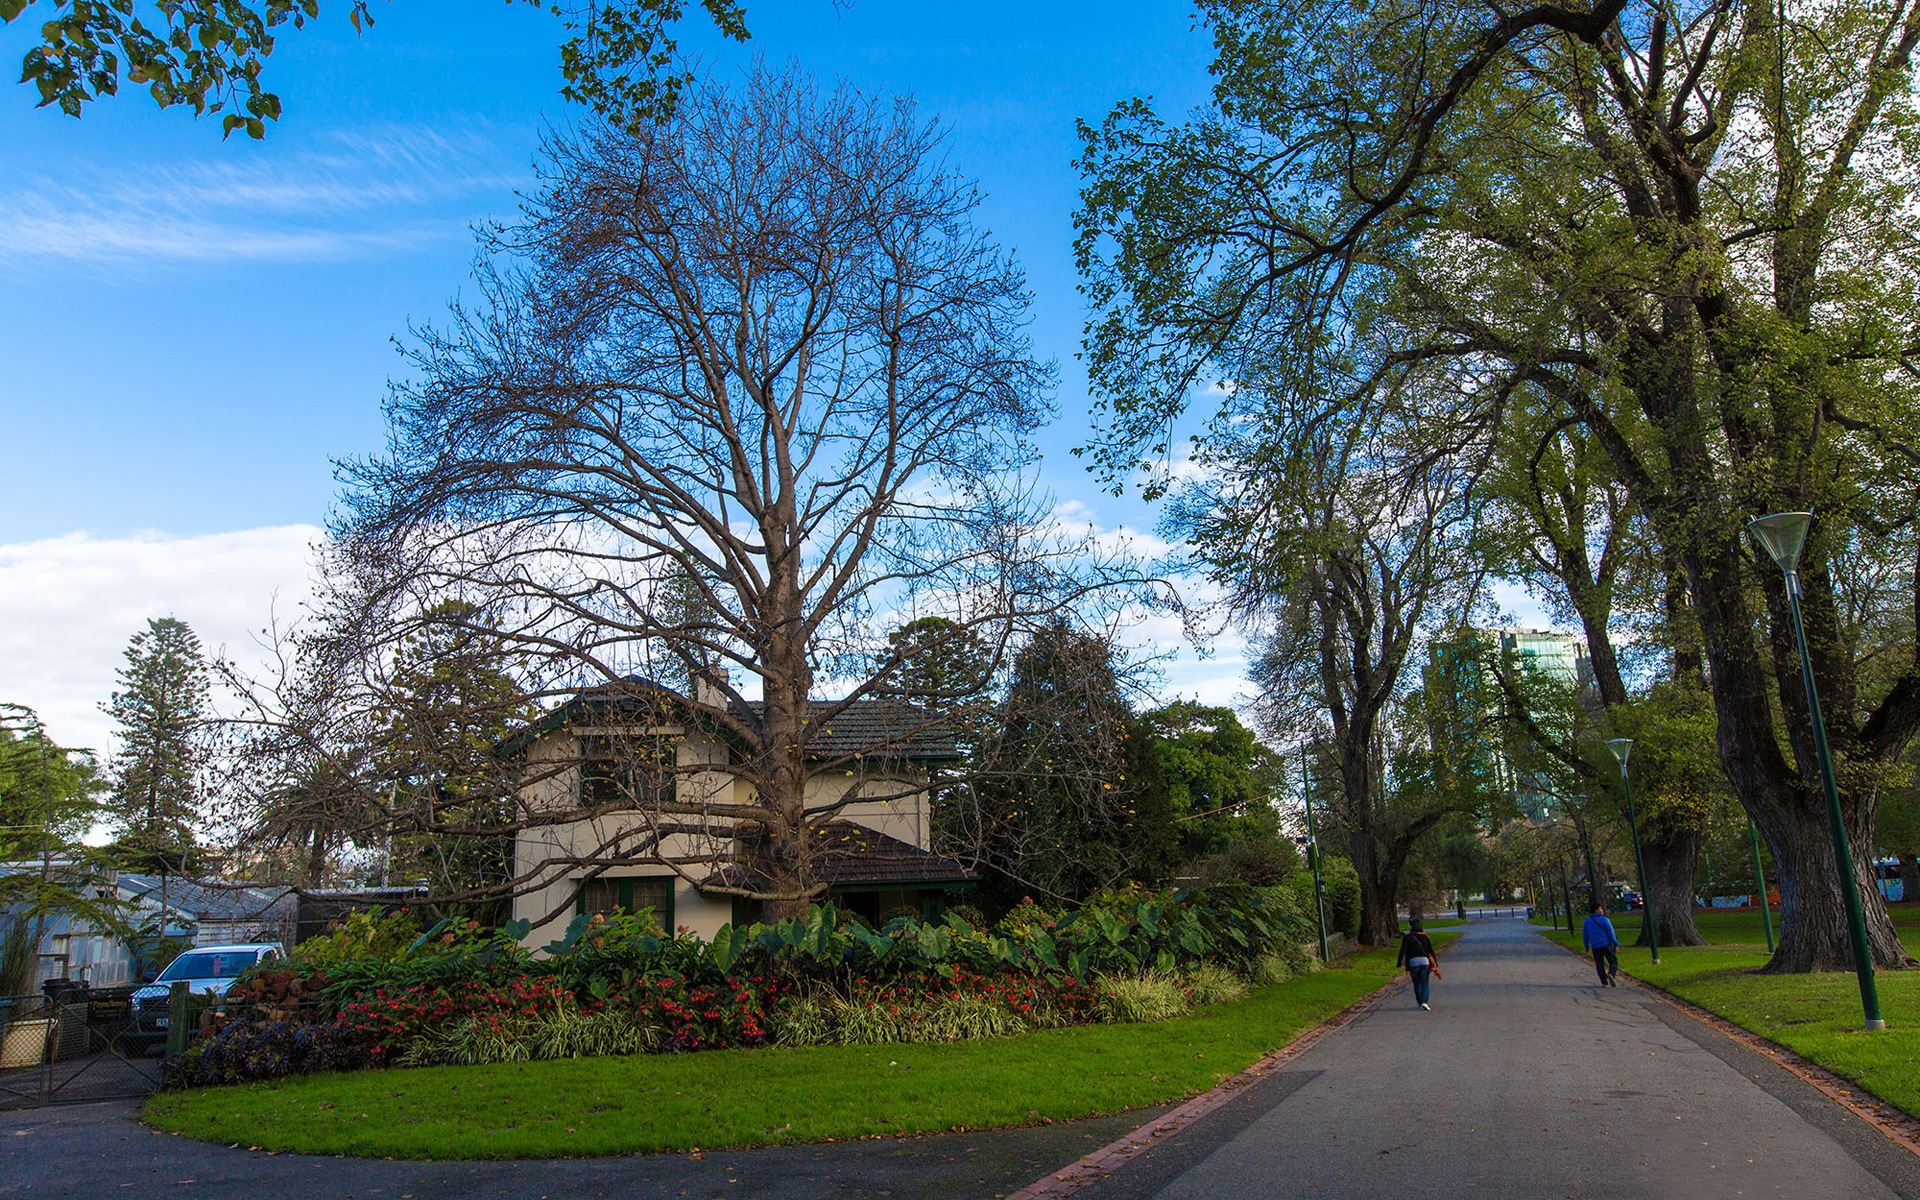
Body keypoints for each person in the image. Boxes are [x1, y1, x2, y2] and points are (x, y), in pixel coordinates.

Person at [1396, 918, 1440, 1010]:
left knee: (1417, 983)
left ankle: (1420, 1002)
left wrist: (1399, 962)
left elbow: (1403, 951)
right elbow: (1430, 950)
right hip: (1424, 961)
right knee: (1425, 982)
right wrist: (1435, 963)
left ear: (1411, 927)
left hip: (1413, 962)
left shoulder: (1407, 938)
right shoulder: (1425, 937)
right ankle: (1425, 1002)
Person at [1583, 903, 1620, 986]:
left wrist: (1586, 946)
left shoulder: (1587, 922)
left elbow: (1585, 935)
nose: (1602, 910)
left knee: (1599, 964)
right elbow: (1611, 933)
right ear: (1596, 910)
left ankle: (1604, 982)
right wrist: (1615, 943)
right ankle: (1611, 974)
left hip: (1595, 946)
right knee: (1613, 961)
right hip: (1606, 944)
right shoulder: (1605, 920)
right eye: (1600, 909)